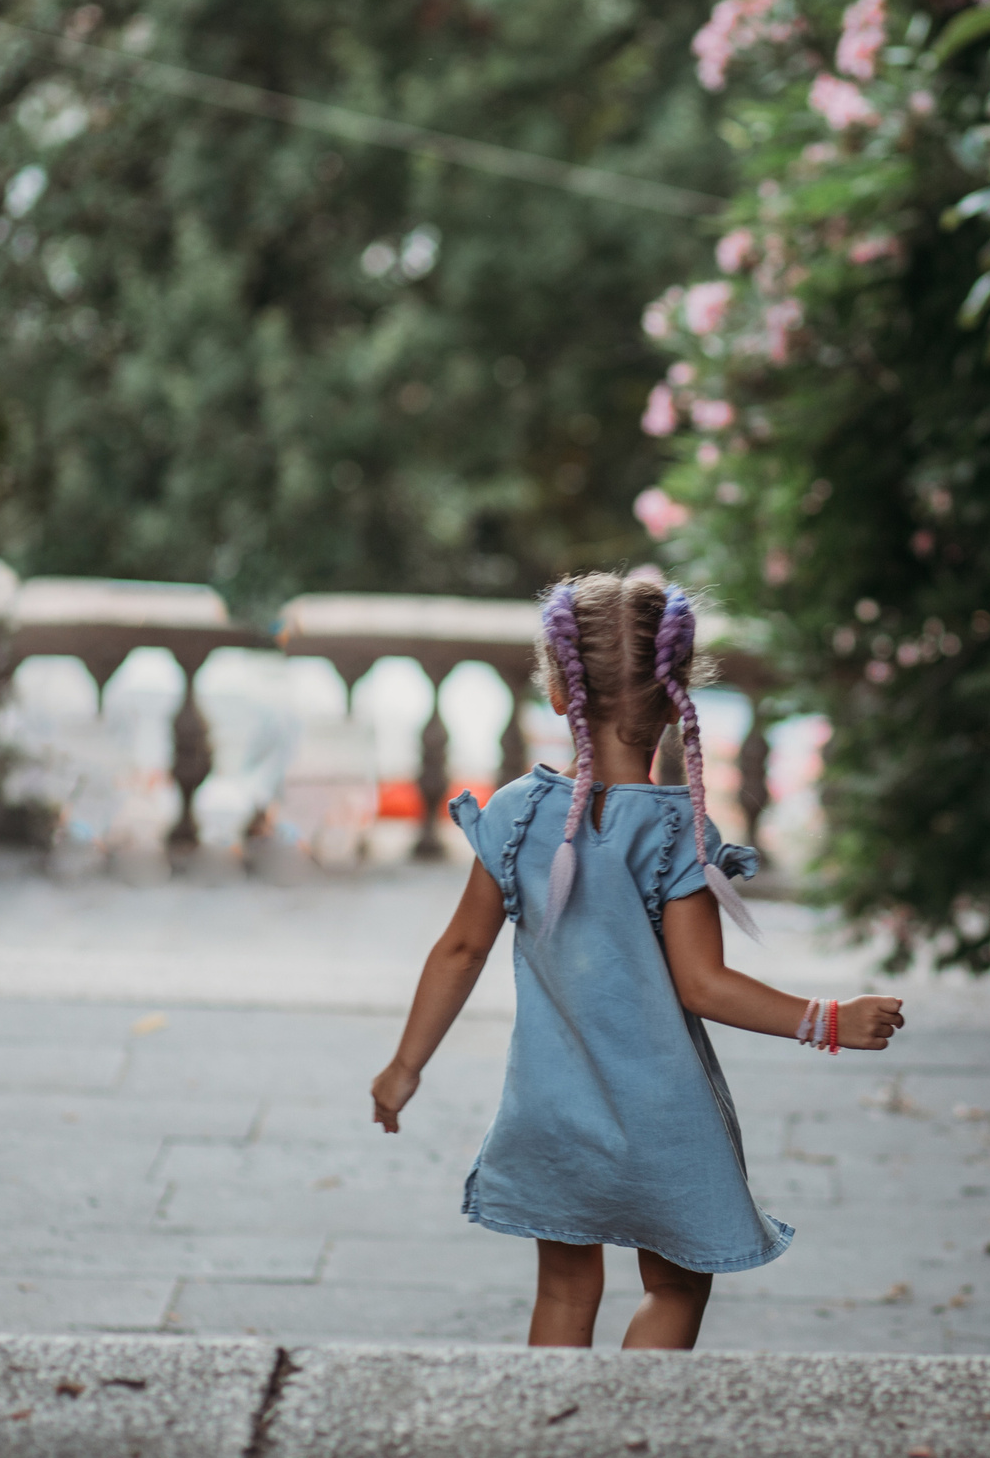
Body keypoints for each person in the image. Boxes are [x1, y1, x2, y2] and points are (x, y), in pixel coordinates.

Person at [369, 572, 906, 1350]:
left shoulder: (519, 813)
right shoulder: (673, 832)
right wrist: (827, 1020)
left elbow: (461, 947)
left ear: (559, 690)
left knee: (563, 1287)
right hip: (661, 1115)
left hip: (553, 1109)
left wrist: (406, 1064)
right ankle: (630, 1427)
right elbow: (702, 983)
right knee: (679, 1284)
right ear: (676, 692)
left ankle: (556, 1442)